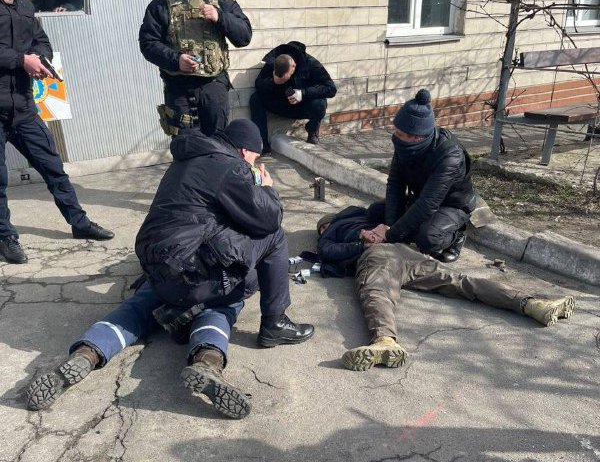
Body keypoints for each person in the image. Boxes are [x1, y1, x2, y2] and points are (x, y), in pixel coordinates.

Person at [26, 120, 315, 419]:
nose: (255, 164)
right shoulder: (232, 168)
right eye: (255, 158)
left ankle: (86, 353)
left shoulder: (185, 162)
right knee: (242, 277)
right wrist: (266, 189)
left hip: (159, 271)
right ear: (244, 151)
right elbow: (267, 219)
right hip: (196, 278)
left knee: (141, 306)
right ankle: (228, 349)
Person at [315, 207, 576, 372]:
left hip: (378, 255)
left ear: (328, 223)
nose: (323, 231)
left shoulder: (335, 228)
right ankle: (532, 304)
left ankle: (384, 340)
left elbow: (327, 251)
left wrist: (361, 243)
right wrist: (386, 230)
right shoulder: (366, 214)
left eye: (322, 227)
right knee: (461, 281)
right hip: (407, 252)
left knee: (376, 291)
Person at [0, 0, 114, 265]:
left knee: (53, 168)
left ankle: (79, 222)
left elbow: (41, 40)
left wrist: (41, 59)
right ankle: (5, 237)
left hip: (23, 106)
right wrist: (21, 60)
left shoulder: (25, 6)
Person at [363, 88, 476, 264]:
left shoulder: (450, 156)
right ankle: (406, 231)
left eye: (399, 134)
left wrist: (390, 235)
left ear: (416, 137)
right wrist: (390, 226)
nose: (395, 137)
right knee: (375, 213)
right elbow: (395, 184)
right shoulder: (405, 146)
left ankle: (456, 235)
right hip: (421, 198)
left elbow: (428, 203)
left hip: (452, 205)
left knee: (427, 239)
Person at [139, 0, 252, 138]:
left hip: (213, 86)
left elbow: (244, 37)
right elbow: (148, 43)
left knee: (217, 142)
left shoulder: (222, 3)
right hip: (178, 88)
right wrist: (176, 60)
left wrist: (220, 17)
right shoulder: (161, 5)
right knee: (184, 142)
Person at [250, 41, 337, 154]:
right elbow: (258, 84)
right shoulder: (275, 61)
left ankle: (312, 130)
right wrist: (273, 82)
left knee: (319, 104)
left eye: (287, 76)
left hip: (302, 105)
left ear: (293, 66)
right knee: (255, 98)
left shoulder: (311, 64)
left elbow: (331, 89)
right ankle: (263, 144)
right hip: (280, 102)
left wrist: (304, 93)